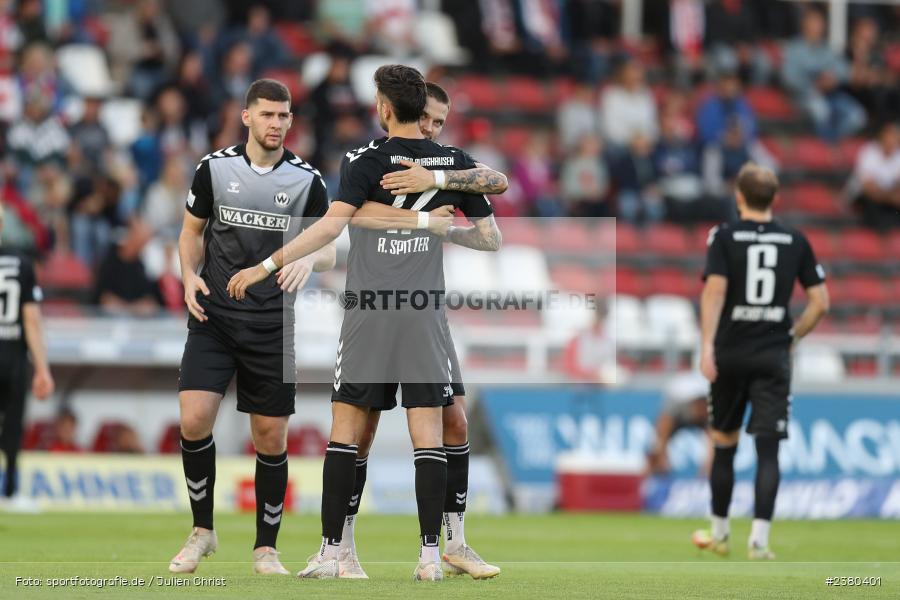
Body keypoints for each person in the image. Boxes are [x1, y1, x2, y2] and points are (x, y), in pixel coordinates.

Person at [227, 64, 493, 582]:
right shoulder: (456, 164)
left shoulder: (363, 158)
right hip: (422, 311)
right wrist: (438, 223)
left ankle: (332, 552)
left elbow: (331, 224)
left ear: (385, 108)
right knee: (428, 435)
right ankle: (429, 558)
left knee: (347, 433)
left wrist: (265, 265)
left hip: (370, 310)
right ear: (422, 110)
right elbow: (490, 237)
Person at [169, 79, 336, 576]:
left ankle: (266, 548)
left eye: (284, 116)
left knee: (270, 438)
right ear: (246, 117)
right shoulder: (214, 169)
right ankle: (202, 531)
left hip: (271, 323)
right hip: (214, 317)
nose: (276, 124)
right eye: (267, 115)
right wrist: (186, 277)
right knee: (194, 420)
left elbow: (327, 243)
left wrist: (310, 262)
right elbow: (190, 233)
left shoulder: (307, 180)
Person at [339, 81, 505, 579]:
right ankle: (342, 545)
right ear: (408, 113)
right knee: (361, 428)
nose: (432, 130)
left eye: (440, 122)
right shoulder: (371, 162)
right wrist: (416, 222)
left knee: (454, 419)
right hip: (372, 307)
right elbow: (348, 217)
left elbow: (491, 236)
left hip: (425, 309)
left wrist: (443, 213)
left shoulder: (451, 166)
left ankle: (451, 543)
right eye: (428, 119)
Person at [693, 163, 829, 560]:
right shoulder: (795, 239)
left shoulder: (723, 236)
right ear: (775, 198)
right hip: (773, 355)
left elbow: (714, 293)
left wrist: (706, 347)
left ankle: (719, 534)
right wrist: (793, 337)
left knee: (724, 444)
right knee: (768, 451)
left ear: (739, 196)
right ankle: (760, 542)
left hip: (730, 353)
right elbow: (820, 303)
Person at [0, 201, 55, 511]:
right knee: (13, 427)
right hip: (13, 357)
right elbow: (32, 321)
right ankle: (10, 491)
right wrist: (43, 369)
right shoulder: (21, 263)